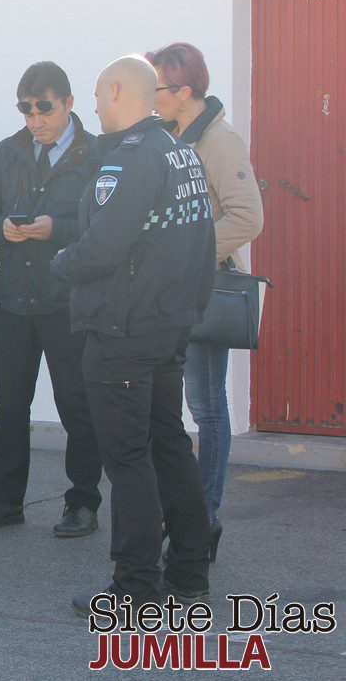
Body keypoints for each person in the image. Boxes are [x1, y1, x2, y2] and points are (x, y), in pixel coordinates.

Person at [51, 55, 215, 614]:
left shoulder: (130, 160)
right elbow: (199, 245)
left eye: (97, 93)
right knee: (169, 444)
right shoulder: (181, 152)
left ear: (117, 89)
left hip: (124, 328)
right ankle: (190, 572)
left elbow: (102, 247)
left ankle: (135, 587)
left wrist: (60, 262)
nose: (94, 105)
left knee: (128, 458)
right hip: (168, 325)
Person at [0, 62, 104, 537]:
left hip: (67, 301)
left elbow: (103, 225)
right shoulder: (10, 151)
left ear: (68, 102)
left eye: (44, 108)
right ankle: (5, 500)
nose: (36, 119)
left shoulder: (94, 154)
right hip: (12, 298)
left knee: (76, 403)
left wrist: (55, 230)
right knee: (10, 404)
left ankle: (82, 502)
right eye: (26, 110)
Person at [147, 42, 263, 558]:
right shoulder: (167, 136)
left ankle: (205, 517)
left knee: (207, 407)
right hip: (168, 291)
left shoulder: (219, 140)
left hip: (202, 287)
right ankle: (184, 514)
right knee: (171, 407)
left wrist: (187, 254)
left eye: (158, 88)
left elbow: (247, 217)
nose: (151, 97)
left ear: (184, 92)